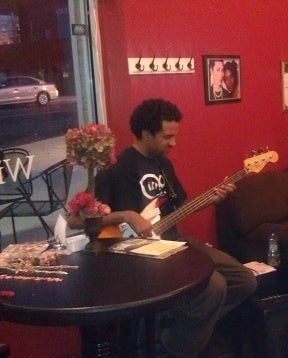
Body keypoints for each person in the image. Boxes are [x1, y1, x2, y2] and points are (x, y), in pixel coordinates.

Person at [68, 98, 256, 356]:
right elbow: (77, 220)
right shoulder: (116, 168)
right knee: (214, 288)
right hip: (137, 253)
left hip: (173, 241)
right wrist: (126, 215)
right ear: (146, 134)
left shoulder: (163, 164)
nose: (173, 143)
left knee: (244, 280)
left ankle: (175, 334)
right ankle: (174, 348)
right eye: (167, 137)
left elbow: (180, 207)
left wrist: (211, 199)